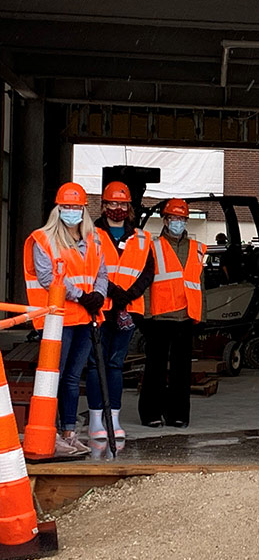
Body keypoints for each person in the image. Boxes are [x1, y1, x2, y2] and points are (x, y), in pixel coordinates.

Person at [23, 182, 108, 455]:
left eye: (77, 207)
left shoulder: (93, 239)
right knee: (53, 378)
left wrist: (97, 295)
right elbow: (47, 278)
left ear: (84, 209)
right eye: (67, 206)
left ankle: (69, 432)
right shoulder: (43, 239)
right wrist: (82, 296)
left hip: (84, 317)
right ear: (58, 209)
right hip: (58, 318)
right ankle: (51, 431)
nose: (72, 211)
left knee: (72, 378)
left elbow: (102, 274)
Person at [87, 181, 154, 440]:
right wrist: (114, 293)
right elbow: (89, 267)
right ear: (104, 206)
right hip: (100, 309)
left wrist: (127, 297)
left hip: (129, 310)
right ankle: (95, 421)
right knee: (96, 365)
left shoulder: (141, 237)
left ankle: (113, 419)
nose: (117, 208)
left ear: (129, 207)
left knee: (115, 365)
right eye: (112, 203)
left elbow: (148, 272)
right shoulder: (90, 234)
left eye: (122, 204)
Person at [138, 198, 206, 428]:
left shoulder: (196, 248)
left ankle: (178, 414)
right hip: (159, 317)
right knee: (155, 368)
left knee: (181, 370)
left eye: (181, 218)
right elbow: (145, 283)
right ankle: (151, 413)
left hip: (185, 317)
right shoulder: (153, 246)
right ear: (165, 220)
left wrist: (201, 316)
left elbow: (199, 283)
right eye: (173, 218)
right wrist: (145, 315)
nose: (178, 223)